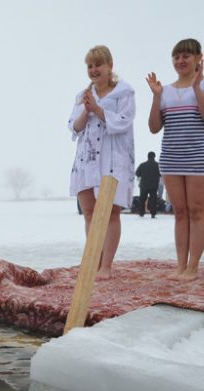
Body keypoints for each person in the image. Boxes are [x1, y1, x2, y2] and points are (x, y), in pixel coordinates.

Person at [68, 45, 135, 279]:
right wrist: (87, 111)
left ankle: (106, 265)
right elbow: (73, 127)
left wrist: (98, 109)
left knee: (110, 212)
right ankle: (92, 262)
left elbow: (124, 122)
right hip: (87, 158)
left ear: (110, 66)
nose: (94, 70)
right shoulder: (82, 95)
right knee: (89, 212)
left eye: (99, 64)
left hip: (112, 159)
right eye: (90, 66)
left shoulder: (124, 93)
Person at [146, 38, 204, 280]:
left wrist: (197, 87)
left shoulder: (201, 86)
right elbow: (154, 127)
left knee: (197, 211)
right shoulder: (165, 90)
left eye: (186, 56)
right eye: (177, 56)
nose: (180, 61)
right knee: (179, 212)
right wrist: (156, 97)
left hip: (197, 158)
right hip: (171, 158)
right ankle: (180, 265)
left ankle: (192, 267)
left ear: (198, 58)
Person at [136, 151, 161, 218]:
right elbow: (161, 174)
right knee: (153, 200)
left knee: (142, 199)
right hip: (154, 185)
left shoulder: (142, 165)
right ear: (154, 157)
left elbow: (137, 173)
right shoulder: (158, 165)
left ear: (148, 156)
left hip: (144, 185)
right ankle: (153, 214)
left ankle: (141, 213)